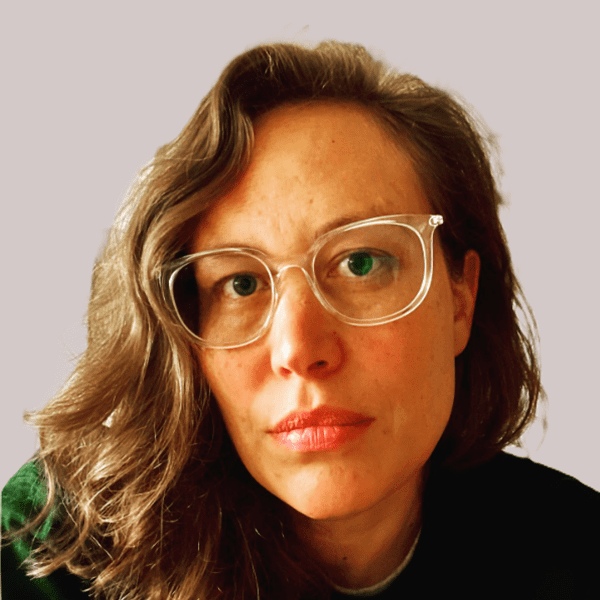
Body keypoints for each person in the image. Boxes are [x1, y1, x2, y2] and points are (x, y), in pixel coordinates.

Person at [2, 41, 598, 600]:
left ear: (461, 300)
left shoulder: (578, 551)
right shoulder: (55, 548)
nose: (299, 348)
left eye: (361, 264)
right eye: (241, 284)